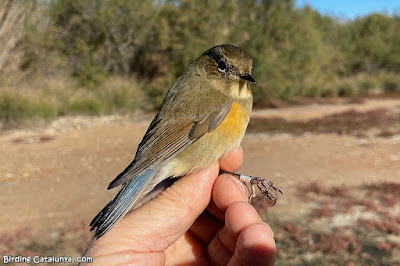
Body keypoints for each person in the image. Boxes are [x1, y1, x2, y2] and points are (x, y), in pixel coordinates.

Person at [84, 147, 276, 265]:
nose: (241, 79)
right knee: (216, 178)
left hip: (178, 157)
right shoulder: (218, 96)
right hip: (171, 154)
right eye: (227, 76)